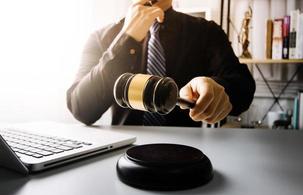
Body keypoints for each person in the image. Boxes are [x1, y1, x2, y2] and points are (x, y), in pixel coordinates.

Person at [66, 0, 256, 127]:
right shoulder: (101, 38)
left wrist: (218, 89)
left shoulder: (206, 32)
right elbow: (80, 109)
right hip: (121, 153)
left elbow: (243, 87)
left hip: (187, 153)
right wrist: (126, 40)